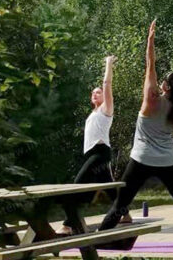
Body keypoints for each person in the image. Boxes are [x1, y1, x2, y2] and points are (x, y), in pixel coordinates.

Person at [97, 20, 173, 247]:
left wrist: (150, 40)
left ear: (166, 86)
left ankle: (98, 238)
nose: (162, 81)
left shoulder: (151, 100)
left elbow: (150, 65)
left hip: (142, 158)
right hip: (168, 161)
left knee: (122, 202)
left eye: (165, 80)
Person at [57, 55, 132, 235]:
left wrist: (108, 64)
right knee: (109, 187)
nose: (95, 93)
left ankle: (68, 224)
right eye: (93, 92)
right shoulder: (93, 114)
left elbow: (107, 84)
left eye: (98, 92)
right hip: (92, 154)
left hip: (99, 153)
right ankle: (125, 214)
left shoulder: (107, 109)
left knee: (76, 186)